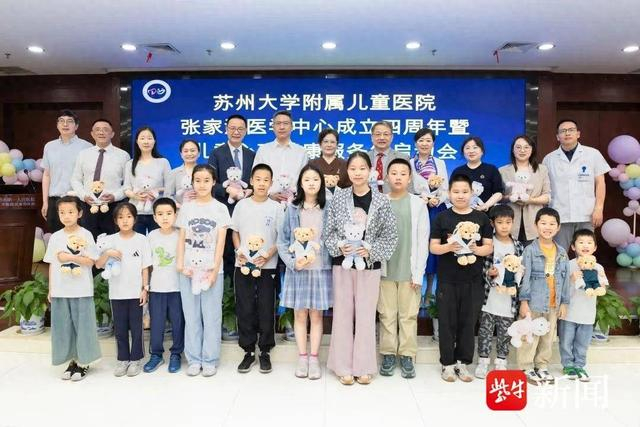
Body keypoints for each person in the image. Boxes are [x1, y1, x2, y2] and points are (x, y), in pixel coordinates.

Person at [324, 151, 398, 385]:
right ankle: (342, 366)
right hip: (343, 264)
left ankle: (364, 367)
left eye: (362, 168)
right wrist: (340, 246)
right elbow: (328, 232)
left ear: (371, 171)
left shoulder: (382, 200)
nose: (357, 173)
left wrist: (371, 251)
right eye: (353, 168)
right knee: (343, 314)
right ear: (347, 171)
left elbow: (390, 235)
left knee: (366, 316)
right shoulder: (338, 198)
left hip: (370, 266)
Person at [429, 173, 493, 383]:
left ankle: (463, 363)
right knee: (447, 322)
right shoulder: (442, 218)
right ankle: (447, 364)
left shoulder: (481, 218)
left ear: (472, 193)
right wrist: (449, 247)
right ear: (449, 193)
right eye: (456, 191)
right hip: (447, 279)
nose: (460, 195)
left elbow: (489, 246)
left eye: (465, 191)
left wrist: (476, 250)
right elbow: (433, 247)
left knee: (468, 322)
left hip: (473, 280)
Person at [277, 164, 332, 380]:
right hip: (298, 270)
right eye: (307, 179)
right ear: (300, 183)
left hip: (320, 269)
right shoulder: (292, 208)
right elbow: (282, 241)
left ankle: (314, 359)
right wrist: (293, 263)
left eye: (315, 179)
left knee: (316, 315)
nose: (311, 183)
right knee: (299, 314)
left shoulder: (328, 207)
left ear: (321, 183)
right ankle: (302, 357)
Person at [175, 164, 231, 377]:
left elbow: (221, 242)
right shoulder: (186, 208)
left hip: (211, 271)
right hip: (188, 270)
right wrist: (180, 265)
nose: (202, 184)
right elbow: (181, 239)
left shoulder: (220, 208)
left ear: (214, 182)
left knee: (211, 316)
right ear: (192, 183)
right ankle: (194, 359)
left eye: (206, 180)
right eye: (197, 180)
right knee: (191, 316)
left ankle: (209, 359)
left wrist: (215, 270)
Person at [378, 158, 429, 379]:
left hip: (409, 271)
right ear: (386, 177)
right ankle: (389, 354)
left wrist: (418, 273)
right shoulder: (379, 202)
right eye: (394, 173)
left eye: (403, 173)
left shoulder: (417, 204)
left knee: (408, 315)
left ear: (410, 179)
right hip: (385, 270)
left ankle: (407, 355)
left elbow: (422, 240)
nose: (398, 177)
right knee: (387, 314)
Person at [232, 163, 284, 374]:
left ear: (271, 183)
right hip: (243, 265)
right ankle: (248, 351)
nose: (262, 183)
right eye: (258, 179)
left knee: (266, 307)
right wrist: (239, 251)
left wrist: (269, 255)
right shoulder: (242, 206)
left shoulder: (276, 208)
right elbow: (235, 232)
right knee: (245, 307)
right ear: (251, 181)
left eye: (266, 180)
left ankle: (265, 351)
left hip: (267, 266)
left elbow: (281, 237)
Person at [43, 195, 101, 381]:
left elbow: (92, 262)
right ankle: (72, 361)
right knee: (63, 327)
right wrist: (51, 289)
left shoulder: (86, 234)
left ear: (79, 213)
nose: (66, 216)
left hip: (81, 289)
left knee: (83, 327)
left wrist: (70, 257)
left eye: (70, 212)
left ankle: (84, 362)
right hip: (60, 290)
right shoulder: (55, 237)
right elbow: (52, 264)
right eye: (62, 212)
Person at [208, 114, 256, 325]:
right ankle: (227, 314)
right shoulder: (217, 153)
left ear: (246, 131)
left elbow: (256, 183)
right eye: (232, 128)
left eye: (240, 128)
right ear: (226, 129)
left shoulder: (252, 154)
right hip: (223, 215)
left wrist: (248, 192)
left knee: (248, 256)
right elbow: (211, 183)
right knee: (227, 259)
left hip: (247, 215)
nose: (236, 131)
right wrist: (227, 190)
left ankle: (247, 313)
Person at [96, 202, 152, 377]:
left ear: (135, 219)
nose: (125, 220)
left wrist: (145, 289)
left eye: (128, 216)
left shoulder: (142, 240)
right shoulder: (110, 240)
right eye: (121, 217)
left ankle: (136, 359)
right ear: (115, 220)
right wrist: (108, 253)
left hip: (136, 293)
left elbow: (145, 267)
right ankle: (122, 360)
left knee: (136, 328)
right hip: (117, 293)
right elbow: (98, 264)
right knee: (120, 329)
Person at [517, 207, 570, 386]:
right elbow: (525, 277)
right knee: (529, 335)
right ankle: (526, 367)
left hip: (554, 303)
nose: (548, 227)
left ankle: (542, 366)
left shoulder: (562, 252)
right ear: (536, 225)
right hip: (534, 301)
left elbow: (565, 279)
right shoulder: (530, 250)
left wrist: (564, 302)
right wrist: (524, 302)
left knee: (548, 337)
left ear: (558, 227)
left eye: (552, 224)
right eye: (543, 223)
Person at [542, 119, 611, 251]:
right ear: (557, 136)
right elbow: (545, 187)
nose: (567, 133)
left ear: (578, 134)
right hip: (560, 214)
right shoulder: (549, 159)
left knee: (585, 253)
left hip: (586, 214)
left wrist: (599, 208)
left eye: (571, 130)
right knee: (558, 254)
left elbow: (600, 183)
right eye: (563, 131)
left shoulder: (593, 154)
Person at [475, 205, 524, 379]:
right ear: (492, 223)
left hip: (509, 300)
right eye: (500, 222)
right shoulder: (488, 244)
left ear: (513, 223)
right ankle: (483, 361)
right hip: (489, 298)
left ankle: (501, 362)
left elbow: (521, 271)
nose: (504, 226)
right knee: (485, 331)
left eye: (508, 222)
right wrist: (489, 273)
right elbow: (480, 267)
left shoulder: (518, 246)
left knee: (505, 332)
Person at [143, 198, 185, 374]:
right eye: (160, 214)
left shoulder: (181, 234)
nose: (165, 217)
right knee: (157, 323)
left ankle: (176, 354)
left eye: (169, 213)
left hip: (177, 288)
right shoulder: (151, 236)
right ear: (154, 217)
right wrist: (146, 286)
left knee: (178, 322)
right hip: (157, 288)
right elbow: (147, 264)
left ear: (176, 215)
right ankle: (156, 354)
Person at [560, 229, 608, 382]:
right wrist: (571, 278)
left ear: (595, 247)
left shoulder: (598, 267)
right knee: (566, 341)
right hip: (569, 312)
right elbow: (560, 287)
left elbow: (603, 288)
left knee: (582, 342)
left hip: (587, 313)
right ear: (573, 246)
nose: (585, 245)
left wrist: (600, 283)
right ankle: (568, 365)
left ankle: (579, 365)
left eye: (589, 242)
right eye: (581, 242)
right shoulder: (568, 265)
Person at [70, 118, 130, 240]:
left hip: (113, 206)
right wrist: (84, 196)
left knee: (113, 241)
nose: (101, 132)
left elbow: (128, 184)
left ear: (112, 134)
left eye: (105, 129)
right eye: (97, 130)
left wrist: (114, 196)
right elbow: (75, 179)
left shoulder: (123, 155)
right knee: (88, 241)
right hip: (88, 205)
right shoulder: (83, 154)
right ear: (92, 134)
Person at [410, 127, 448, 298]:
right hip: (417, 207)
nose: (424, 143)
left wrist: (438, 199)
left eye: (428, 140)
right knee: (417, 245)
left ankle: (429, 290)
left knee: (433, 247)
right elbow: (408, 188)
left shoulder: (440, 163)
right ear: (415, 143)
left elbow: (446, 189)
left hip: (436, 210)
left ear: (433, 143)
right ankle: (415, 287)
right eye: (421, 140)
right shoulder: (410, 163)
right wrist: (423, 197)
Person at [41, 110, 92, 232]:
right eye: (61, 121)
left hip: (77, 200)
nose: (65, 124)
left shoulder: (87, 147)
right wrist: (45, 202)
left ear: (76, 126)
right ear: (57, 125)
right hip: (55, 200)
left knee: (78, 238)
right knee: (56, 236)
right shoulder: (49, 146)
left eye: (69, 121)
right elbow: (46, 175)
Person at [499, 135, 551, 244]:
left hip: (534, 221)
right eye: (518, 147)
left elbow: (547, 196)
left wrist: (530, 200)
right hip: (509, 222)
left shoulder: (542, 170)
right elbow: (498, 197)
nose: (522, 150)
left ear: (532, 150)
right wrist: (509, 198)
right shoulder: (502, 171)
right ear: (513, 150)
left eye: (526, 147)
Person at [124, 127, 171, 235]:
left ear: (154, 141)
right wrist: (136, 196)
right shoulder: (130, 164)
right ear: (137, 141)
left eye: (149, 138)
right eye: (142, 138)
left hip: (158, 212)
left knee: (158, 242)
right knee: (137, 242)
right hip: (136, 212)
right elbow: (126, 188)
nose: (146, 141)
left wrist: (156, 191)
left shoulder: (163, 162)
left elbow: (170, 187)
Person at [254, 110, 308, 203]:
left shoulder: (301, 152)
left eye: (285, 123)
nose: (282, 127)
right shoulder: (263, 150)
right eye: (278, 123)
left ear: (292, 127)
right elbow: (256, 177)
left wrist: (295, 196)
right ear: (273, 127)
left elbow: (305, 179)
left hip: (294, 202)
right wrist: (269, 195)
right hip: (267, 201)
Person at [451, 136, 503, 212]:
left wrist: (485, 205)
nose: (471, 151)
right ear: (463, 152)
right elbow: (451, 193)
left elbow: (498, 193)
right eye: (467, 148)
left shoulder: (491, 169)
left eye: (475, 147)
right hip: (461, 212)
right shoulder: (458, 171)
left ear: (482, 151)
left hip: (485, 213)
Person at [366, 120, 409, 194]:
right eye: (378, 134)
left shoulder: (403, 158)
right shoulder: (364, 158)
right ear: (372, 137)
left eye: (386, 134)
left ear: (392, 137)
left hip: (395, 198)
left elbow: (408, 185)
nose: (382, 137)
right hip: (368, 199)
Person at [308, 128, 350, 192]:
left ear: (337, 144)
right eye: (325, 142)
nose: (329, 145)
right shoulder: (311, 164)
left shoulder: (345, 164)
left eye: (332, 142)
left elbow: (349, 188)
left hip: (340, 198)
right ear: (320, 144)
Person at [166, 139, 200, 207]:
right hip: (180, 210)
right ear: (181, 154)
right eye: (186, 151)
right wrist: (177, 205)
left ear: (199, 153)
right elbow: (167, 195)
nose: (189, 154)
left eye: (192, 150)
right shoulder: (174, 173)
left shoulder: (204, 171)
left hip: (201, 210)